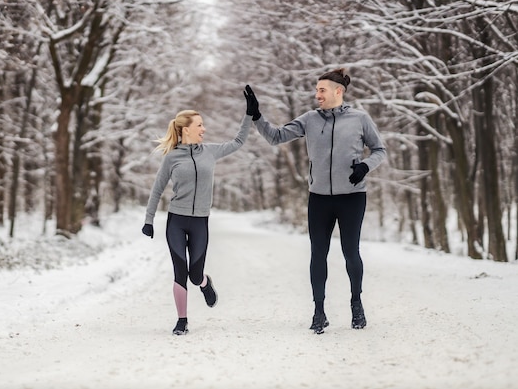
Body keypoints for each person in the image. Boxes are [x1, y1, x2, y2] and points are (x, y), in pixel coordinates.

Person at [244, 69, 386, 334]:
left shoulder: (360, 119)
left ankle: (357, 303)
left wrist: (365, 166)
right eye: (317, 89)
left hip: (352, 197)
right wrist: (257, 116)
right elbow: (276, 137)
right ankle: (319, 311)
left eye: (322, 89)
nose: (317, 94)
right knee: (317, 254)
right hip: (319, 198)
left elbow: (380, 149)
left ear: (338, 92)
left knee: (350, 252)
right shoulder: (310, 119)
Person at [142, 107, 253, 335]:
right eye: (199, 125)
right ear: (186, 129)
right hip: (177, 220)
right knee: (180, 271)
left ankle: (204, 283)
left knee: (194, 275)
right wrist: (149, 220)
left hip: (200, 221)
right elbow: (157, 190)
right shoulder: (171, 157)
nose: (204, 128)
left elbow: (239, 141)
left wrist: (249, 115)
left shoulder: (210, 152)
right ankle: (182, 320)